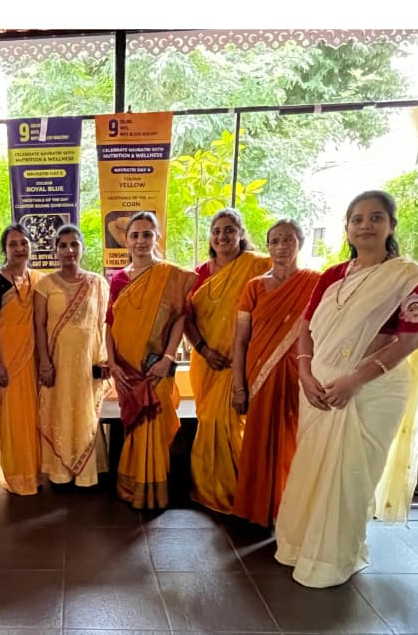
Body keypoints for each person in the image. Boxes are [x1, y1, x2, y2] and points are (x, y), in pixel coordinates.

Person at [274, 190, 418, 588]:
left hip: (372, 389)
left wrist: (353, 380)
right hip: (318, 386)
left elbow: (408, 341)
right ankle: (299, 546)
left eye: (376, 218)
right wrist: (304, 372)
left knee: (349, 476)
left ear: (391, 225)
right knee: (312, 467)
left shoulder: (407, 278)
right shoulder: (332, 276)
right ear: (347, 228)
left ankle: (332, 559)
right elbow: (305, 328)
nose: (366, 225)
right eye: (357, 219)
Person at [230, 219, 321, 528]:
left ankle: (288, 511)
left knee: (292, 439)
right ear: (268, 246)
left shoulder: (315, 283)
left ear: (300, 243)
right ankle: (254, 510)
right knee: (256, 440)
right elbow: (241, 339)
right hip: (259, 373)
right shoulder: (254, 286)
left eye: (289, 239)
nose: (282, 246)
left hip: (298, 373)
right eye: (275, 240)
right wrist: (238, 385)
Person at [185, 208, 272, 514]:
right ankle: (210, 491)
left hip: (244, 361)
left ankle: (241, 493)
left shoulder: (259, 266)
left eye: (229, 230)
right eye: (217, 231)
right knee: (209, 420)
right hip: (207, 362)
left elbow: (277, 300)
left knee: (234, 423)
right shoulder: (198, 274)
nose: (222, 236)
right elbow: (186, 318)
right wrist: (204, 349)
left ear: (241, 233)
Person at [105, 211, 194, 510]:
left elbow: (180, 319)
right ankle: (132, 484)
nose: (141, 240)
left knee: (154, 424)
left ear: (157, 237)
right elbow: (109, 324)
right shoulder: (118, 279)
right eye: (135, 235)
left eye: (147, 234)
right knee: (134, 424)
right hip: (126, 368)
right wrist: (113, 364)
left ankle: (154, 489)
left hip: (157, 366)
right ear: (126, 241)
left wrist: (168, 358)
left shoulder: (171, 276)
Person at [34, 224, 110, 488]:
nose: (68, 250)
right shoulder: (45, 285)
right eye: (63, 246)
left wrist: (104, 361)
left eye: (74, 244)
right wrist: (45, 363)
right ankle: (60, 473)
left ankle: (85, 474)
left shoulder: (97, 283)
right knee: (60, 413)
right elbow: (39, 326)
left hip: (87, 365)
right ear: (55, 251)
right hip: (57, 364)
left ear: (82, 248)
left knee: (84, 415)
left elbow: (103, 325)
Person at [0, 224, 41, 495]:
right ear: (4, 249)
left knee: (32, 418)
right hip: (6, 360)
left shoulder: (37, 279)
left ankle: (33, 471)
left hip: (32, 360)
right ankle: (17, 474)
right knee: (12, 419)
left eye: (23, 243)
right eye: (13, 244)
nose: (19, 248)